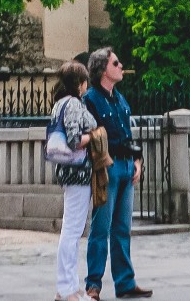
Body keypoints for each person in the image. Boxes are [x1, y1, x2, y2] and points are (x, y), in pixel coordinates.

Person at [82, 49, 149, 300]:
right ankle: (93, 285)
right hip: (107, 167)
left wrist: (137, 161)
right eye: (116, 63)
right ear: (102, 70)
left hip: (126, 164)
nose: (121, 66)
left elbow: (129, 137)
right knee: (101, 228)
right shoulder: (90, 100)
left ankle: (125, 282)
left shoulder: (120, 99)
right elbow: (88, 136)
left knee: (122, 228)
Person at [45, 61, 99, 301]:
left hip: (66, 171)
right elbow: (75, 140)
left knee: (72, 229)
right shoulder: (74, 104)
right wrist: (95, 135)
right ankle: (67, 288)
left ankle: (68, 286)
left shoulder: (59, 104)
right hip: (78, 171)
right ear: (80, 83)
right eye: (85, 81)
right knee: (73, 231)